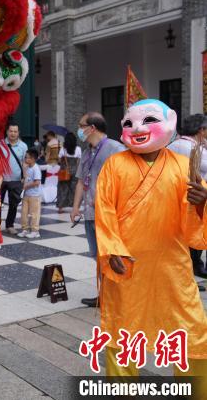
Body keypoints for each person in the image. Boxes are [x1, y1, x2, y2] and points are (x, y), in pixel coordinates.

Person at [95, 100, 207, 396]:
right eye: (129, 124)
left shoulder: (184, 166)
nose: (138, 129)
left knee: (191, 332)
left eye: (147, 121)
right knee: (123, 331)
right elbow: (104, 210)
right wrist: (112, 249)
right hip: (127, 265)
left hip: (173, 266)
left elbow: (196, 232)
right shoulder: (115, 165)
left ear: (170, 121)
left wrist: (202, 203)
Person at [71, 112, 125, 308]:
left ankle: (117, 297)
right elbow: (80, 182)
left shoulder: (116, 149)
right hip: (90, 214)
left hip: (109, 216)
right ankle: (103, 295)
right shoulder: (86, 153)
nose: (79, 129)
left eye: (81, 125)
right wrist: (76, 207)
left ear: (91, 128)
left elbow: (126, 182)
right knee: (98, 256)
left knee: (112, 256)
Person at [168, 114, 207, 280]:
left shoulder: (173, 144)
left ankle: (188, 273)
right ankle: (190, 277)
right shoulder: (195, 149)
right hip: (195, 199)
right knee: (193, 239)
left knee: (181, 241)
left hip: (175, 198)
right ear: (201, 130)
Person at [0, 123, 27, 234]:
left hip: (16, 179)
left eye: (15, 131)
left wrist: (25, 177)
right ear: (7, 132)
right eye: (11, 131)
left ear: (18, 133)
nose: (13, 134)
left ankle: (10, 225)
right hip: (0, 179)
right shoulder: (0, 144)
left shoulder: (23, 146)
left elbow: (25, 163)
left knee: (13, 204)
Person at [17, 149, 42, 239]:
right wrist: (24, 181)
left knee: (34, 213)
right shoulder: (27, 168)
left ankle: (35, 231)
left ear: (33, 159)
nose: (25, 159)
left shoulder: (36, 168)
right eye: (25, 157)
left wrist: (26, 186)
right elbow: (26, 178)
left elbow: (37, 182)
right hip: (26, 194)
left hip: (34, 195)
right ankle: (25, 229)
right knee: (24, 212)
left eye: (27, 158)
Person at [56, 133, 82, 213]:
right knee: (74, 189)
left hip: (64, 171)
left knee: (62, 188)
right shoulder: (78, 148)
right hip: (75, 171)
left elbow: (59, 160)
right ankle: (75, 207)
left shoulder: (63, 149)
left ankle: (60, 207)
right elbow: (78, 161)